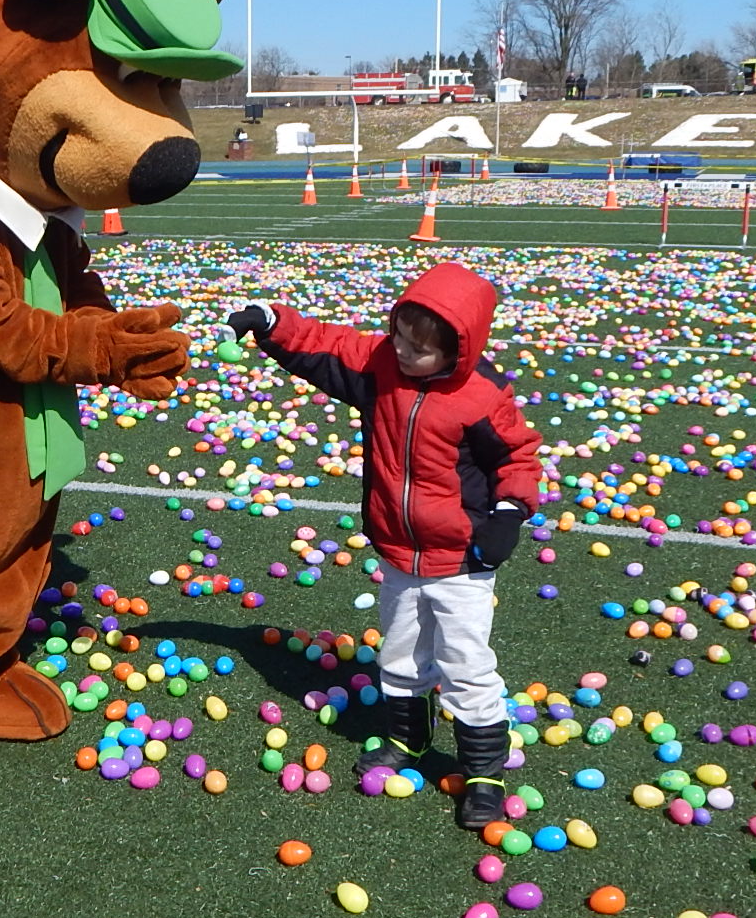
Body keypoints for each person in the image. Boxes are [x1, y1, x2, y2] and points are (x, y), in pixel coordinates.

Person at [229, 261, 540, 828]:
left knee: (466, 666)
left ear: (458, 352)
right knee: (399, 656)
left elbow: (517, 457)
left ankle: (484, 773)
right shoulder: (381, 369)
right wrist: (270, 322)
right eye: (397, 335)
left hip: (462, 560)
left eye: (417, 349)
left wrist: (508, 513)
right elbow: (326, 346)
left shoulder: (481, 396)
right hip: (398, 552)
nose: (401, 351)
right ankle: (410, 740)